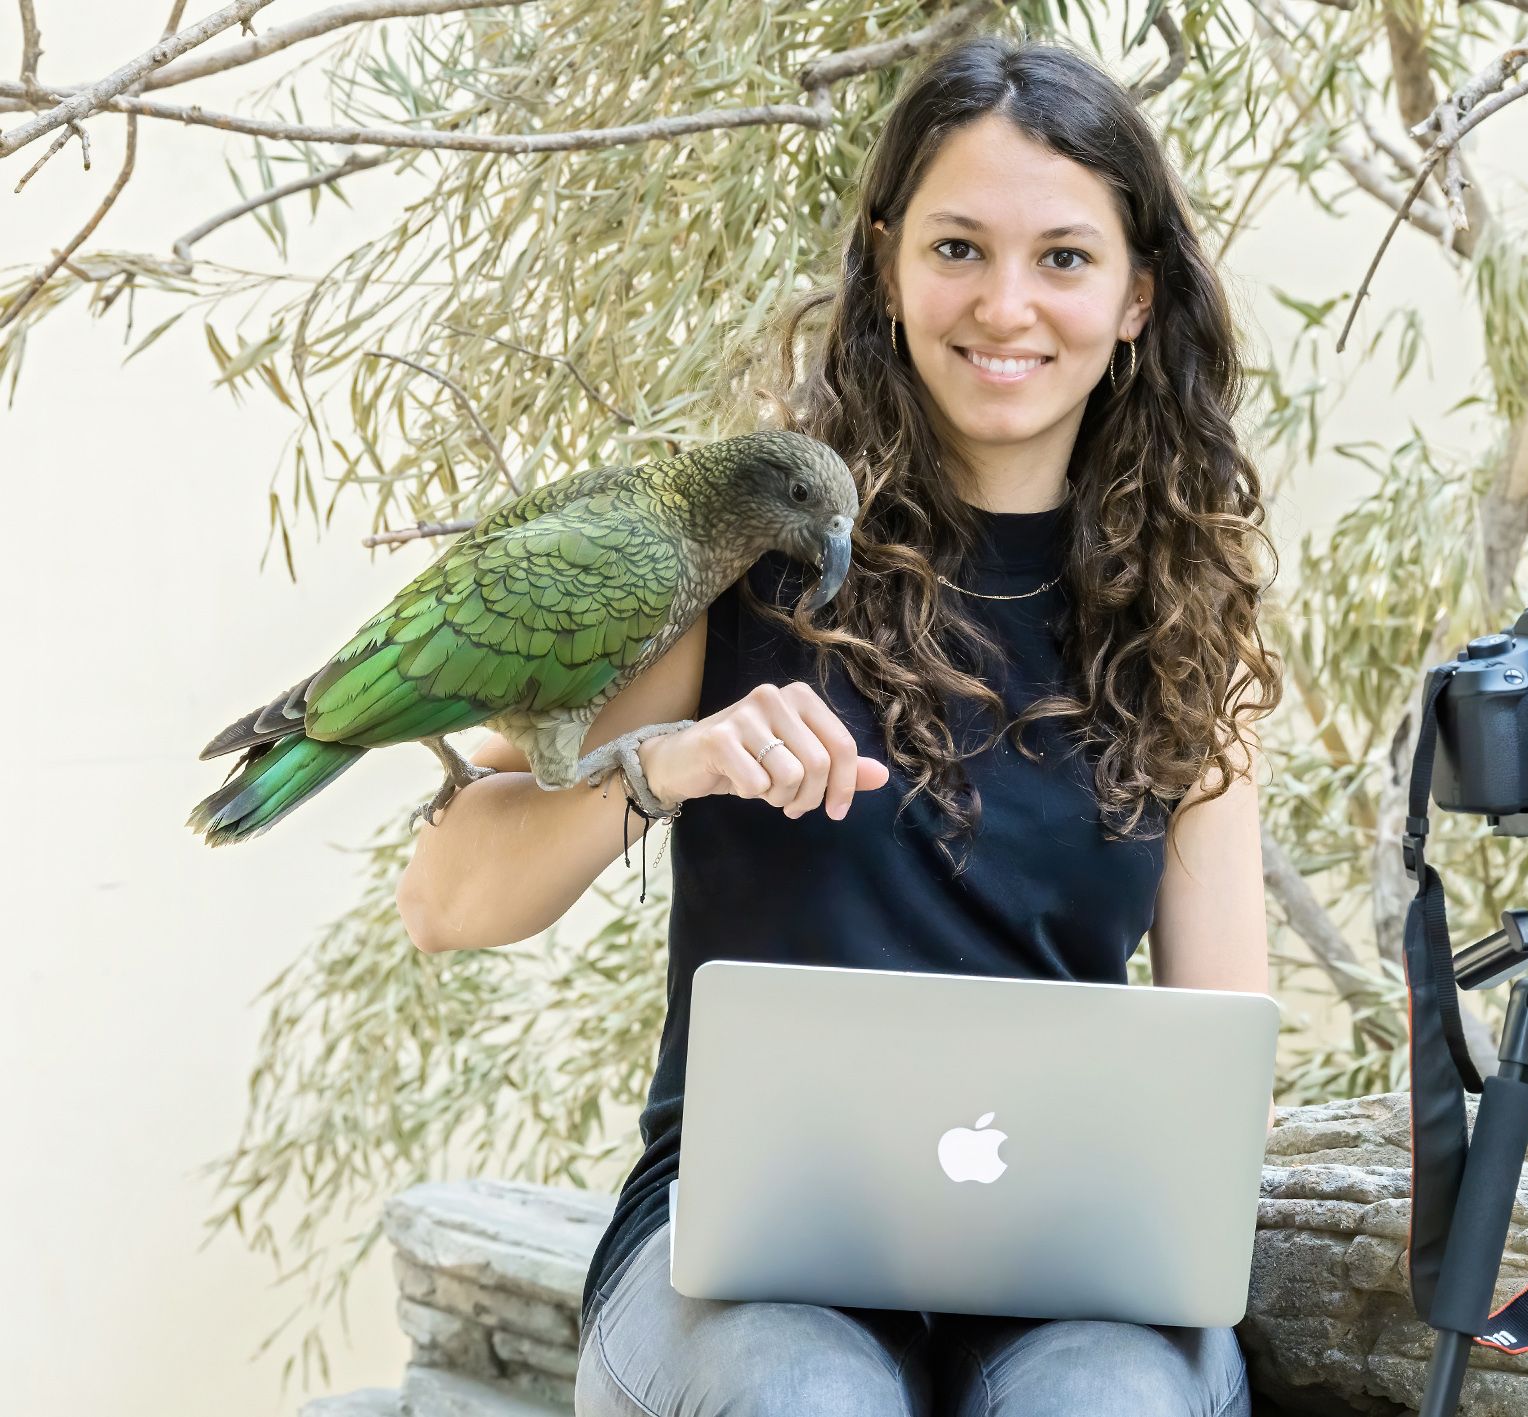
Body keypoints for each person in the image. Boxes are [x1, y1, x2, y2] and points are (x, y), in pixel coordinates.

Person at [396, 31, 1283, 1417]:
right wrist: (664, 768)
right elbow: (445, 899)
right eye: (956, 249)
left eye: (1062, 257)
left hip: (1066, 1265)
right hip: (737, 1260)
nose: (1004, 305)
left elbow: (1222, 1054)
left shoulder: (1184, 625)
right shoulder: (737, 553)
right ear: (885, 265)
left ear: (1135, 298)